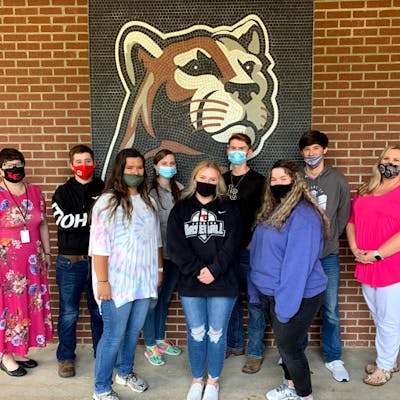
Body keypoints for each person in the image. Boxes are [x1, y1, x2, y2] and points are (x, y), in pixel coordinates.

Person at [249, 160, 328, 400]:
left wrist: (284, 307)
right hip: (272, 293)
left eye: (283, 178)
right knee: (285, 347)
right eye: (273, 179)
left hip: (295, 295)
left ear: (296, 182)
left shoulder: (304, 215)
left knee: (289, 348)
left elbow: (297, 266)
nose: (277, 183)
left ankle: (305, 395)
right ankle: (291, 385)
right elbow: (259, 252)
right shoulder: (275, 209)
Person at [89, 148, 162, 400]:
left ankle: (124, 372)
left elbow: (156, 241)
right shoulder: (107, 202)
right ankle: (101, 388)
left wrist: (159, 269)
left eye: (139, 168)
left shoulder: (148, 201)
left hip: (143, 281)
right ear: (120, 170)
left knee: (133, 332)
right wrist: (102, 281)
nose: (135, 172)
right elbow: (99, 247)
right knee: (113, 336)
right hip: (117, 282)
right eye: (130, 167)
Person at [168, 160, 241, 400]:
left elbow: (233, 244)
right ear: (194, 179)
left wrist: (214, 270)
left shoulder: (229, 207)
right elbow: (176, 246)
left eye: (212, 179)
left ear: (218, 182)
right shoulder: (181, 209)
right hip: (192, 281)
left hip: (223, 281)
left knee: (217, 333)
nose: (207, 182)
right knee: (197, 332)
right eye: (203, 178)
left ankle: (213, 381)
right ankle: (197, 379)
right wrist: (199, 270)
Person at [299, 129, 351, 382]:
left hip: (327, 255)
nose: (311, 154)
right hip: (299, 256)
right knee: (298, 306)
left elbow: (344, 214)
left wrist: (331, 239)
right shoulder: (296, 178)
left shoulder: (338, 180)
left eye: (316, 149)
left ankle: (333, 357)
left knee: (330, 308)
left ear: (325, 150)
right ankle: (295, 351)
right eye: (307, 150)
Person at [346, 145, 400, 386]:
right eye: (386, 158)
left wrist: (377, 254)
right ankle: (388, 358)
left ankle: (385, 367)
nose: (390, 163)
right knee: (379, 317)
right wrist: (355, 248)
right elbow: (351, 222)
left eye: (396, 160)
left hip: (390, 264)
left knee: (389, 320)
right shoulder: (366, 189)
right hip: (365, 261)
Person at [52, 144, 104, 378]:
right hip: (70, 262)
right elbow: (64, 222)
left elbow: (111, 219)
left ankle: (102, 354)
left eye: (88, 160)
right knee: (69, 313)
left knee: (99, 311)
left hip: (98, 261)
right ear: (71, 165)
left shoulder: (104, 188)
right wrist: (93, 218)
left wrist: (84, 219)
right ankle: (65, 358)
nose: (84, 166)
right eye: (79, 161)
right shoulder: (62, 192)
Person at [0, 148, 53, 377]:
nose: (15, 170)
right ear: (1, 170)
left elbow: (42, 224)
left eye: (18, 165)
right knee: (9, 306)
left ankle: (19, 348)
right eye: (10, 167)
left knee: (29, 303)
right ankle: (4, 354)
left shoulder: (35, 191)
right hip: (6, 264)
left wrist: (48, 253)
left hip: (33, 261)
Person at [223, 133, 266, 374]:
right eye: (232, 148)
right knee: (230, 299)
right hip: (225, 252)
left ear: (249, 152)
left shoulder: (259, 181)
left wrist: (254, 241)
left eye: (241, 148)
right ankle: (235, 343)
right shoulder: (220, 179)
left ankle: (255, 352)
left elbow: (266, 213)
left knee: (255, 302)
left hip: (250, 251)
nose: (237, 151)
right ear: (227, 151)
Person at [142, 149, 183, 366]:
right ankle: (150, 345)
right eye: (164, 162)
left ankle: (159, 339)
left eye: (172, 162)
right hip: (154, 256)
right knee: (152, 301)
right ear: (156, 167)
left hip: (175, 255)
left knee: (165, 299)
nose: (169, 165)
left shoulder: (182, 191)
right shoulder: (147, 192)